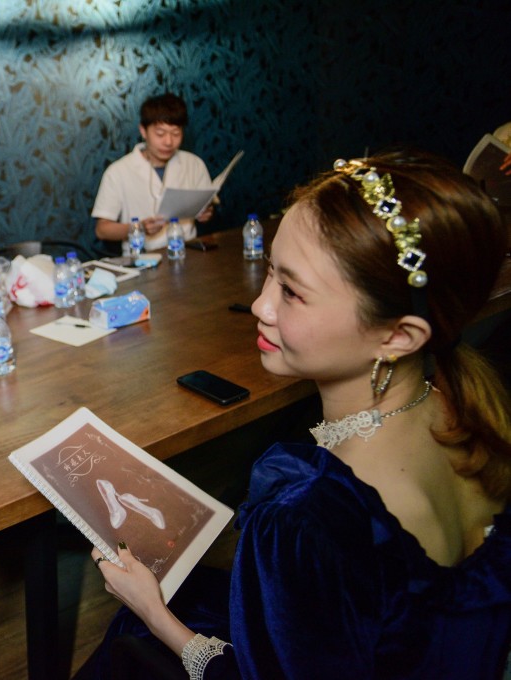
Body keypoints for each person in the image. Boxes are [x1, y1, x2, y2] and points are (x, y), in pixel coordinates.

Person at [79, 150, 511, 679]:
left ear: (398, 335)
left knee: (130, 636)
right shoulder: (464, 404)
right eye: (269, 274)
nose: (261, 306)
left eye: (291, 291)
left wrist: (152, 608)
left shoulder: (305, 519)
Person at [92, 92, 215, 254]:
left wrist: (206, 213)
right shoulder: (118, 172)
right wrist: (138, 228)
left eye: (176, 133)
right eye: (160, 134)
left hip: (189, 253)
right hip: (142, 259)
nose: (168, 142)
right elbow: (102, 230)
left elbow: (207, 208)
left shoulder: (194, 164)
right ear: (143, 131)